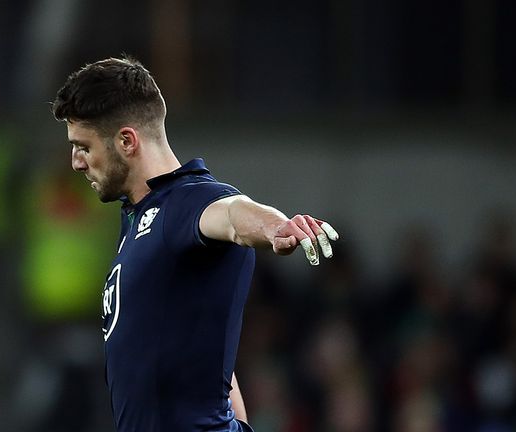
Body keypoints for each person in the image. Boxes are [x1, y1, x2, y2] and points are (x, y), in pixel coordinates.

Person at [51, 56, 339, 432]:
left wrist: (276, 227)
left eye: (83, 146)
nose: (75, 162)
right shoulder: (138, 218)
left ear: (126, 140)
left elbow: (234, 213)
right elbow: (214, 363)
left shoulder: (186, 202)